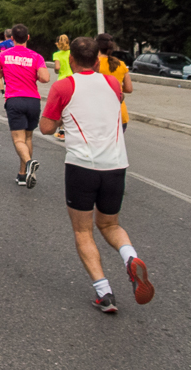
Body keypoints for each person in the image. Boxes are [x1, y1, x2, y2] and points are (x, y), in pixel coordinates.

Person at [40, 36, 155, 314]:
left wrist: (60, 116)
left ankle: (104, 293)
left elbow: (45, 128)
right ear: (96, 60)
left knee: (83, 230)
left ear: (70, 60)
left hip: (82, 166)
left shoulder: (64, 85)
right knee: (110, 224)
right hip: (116, 165)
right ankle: (131, 257)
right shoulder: (112, 83)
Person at [0, 23, 50, 188]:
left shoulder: (3, 55)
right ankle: (22, 175)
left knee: (18, 139)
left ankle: (29, 162)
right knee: (28, 137)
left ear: (12, 38)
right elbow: (45, 78)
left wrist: (5, 71)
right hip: (33, 100)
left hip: (14, 99)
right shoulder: (36, 56)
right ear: (28, 38)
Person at [97, 34, 133, 131]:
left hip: (101, 114)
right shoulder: (121, 64)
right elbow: (129, 89)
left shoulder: (94, 64)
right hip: (120, 114)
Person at [52, 34, 72, 140]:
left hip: (62, 81)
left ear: (57, 44)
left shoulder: (57, 55)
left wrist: (56, 70)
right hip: (72, 80)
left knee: (61, 107)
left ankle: (62, 131)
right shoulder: (71, 53)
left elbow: (57, 67)